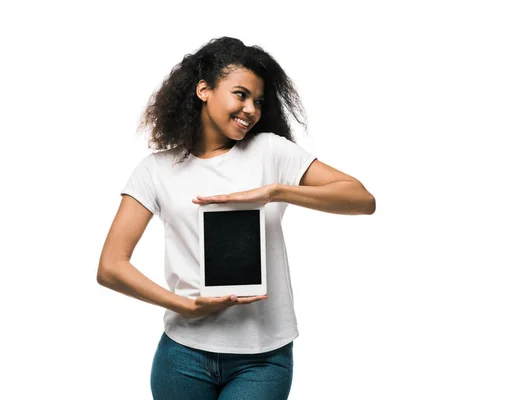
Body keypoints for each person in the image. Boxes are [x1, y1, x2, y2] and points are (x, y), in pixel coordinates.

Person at [97, 36, 376, 400]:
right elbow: (111, 267)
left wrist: (274, 191)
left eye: (258, 101)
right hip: (182, 353)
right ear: (203, 90)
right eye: (240, 94)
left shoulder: (270, 151)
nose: (251, 109)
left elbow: (361, 199)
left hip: (262, 358)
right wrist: (186, 307)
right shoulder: (155, 170)